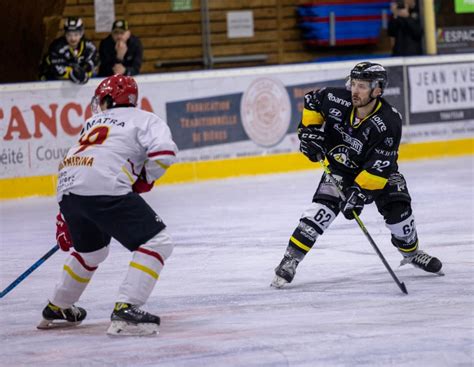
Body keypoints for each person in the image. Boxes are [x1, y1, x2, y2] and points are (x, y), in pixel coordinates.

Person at [271, 61, 443, 289]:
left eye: (362, 86)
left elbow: (379, 167)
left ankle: (411, 252)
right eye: (354, 84)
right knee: (320, 212)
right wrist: (309, 132)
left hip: (379, 173)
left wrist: (358, 194)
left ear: (378, 90)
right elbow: (312, 100)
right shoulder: (335, 99)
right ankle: (290, 259)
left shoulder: (389, 122)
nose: (355, 90)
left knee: (400, 216)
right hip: (340, 169)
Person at [37, 75, 178, 336]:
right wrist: (144, 180)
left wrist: (64, 213)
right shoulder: (146, 118)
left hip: (68, 189)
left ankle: (59, 305)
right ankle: (127, 307)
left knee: (92, 252)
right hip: (105, 187)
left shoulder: (92, 122)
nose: (99, 105)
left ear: (111, 99)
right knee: (158, 242)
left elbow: (71, 163)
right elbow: (165, 154)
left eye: (101, 100)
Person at [39, 17, 97, 84]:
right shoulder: (57, 46)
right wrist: (73, 73)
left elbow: (93, 63)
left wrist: (84, 72)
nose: (73, 38)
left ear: (81, 33)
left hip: (78, 82)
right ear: (65, 34)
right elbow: (57, 70)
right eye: (69, 35)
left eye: (76, 34)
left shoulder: (89, 46)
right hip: (52, 80)